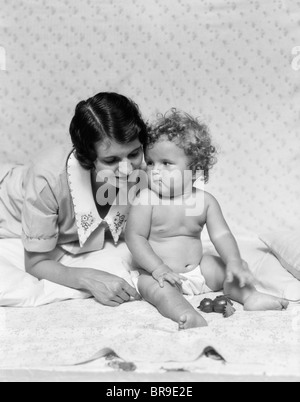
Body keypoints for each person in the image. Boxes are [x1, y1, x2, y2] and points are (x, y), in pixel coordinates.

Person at [125, 109, 289, 330]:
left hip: (197, 271)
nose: (155, 171)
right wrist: (158, 268)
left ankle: (251, 297)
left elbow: (221, 234)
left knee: (221, 267)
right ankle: (184, 312)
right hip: (158, 273)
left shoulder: (204, 201)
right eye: (151, 162)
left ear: (194, 170)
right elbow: (135, 238)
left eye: (166, 163)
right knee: (156, 289)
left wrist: (233, 262)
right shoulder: (146, 199)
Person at [0, 92, 148, 307]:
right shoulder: (48, 179)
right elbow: (36, 263)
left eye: (133, 154)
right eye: (111, 160)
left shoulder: (146, 169)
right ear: (87, 157)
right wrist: (89, 279)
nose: (127, 169)